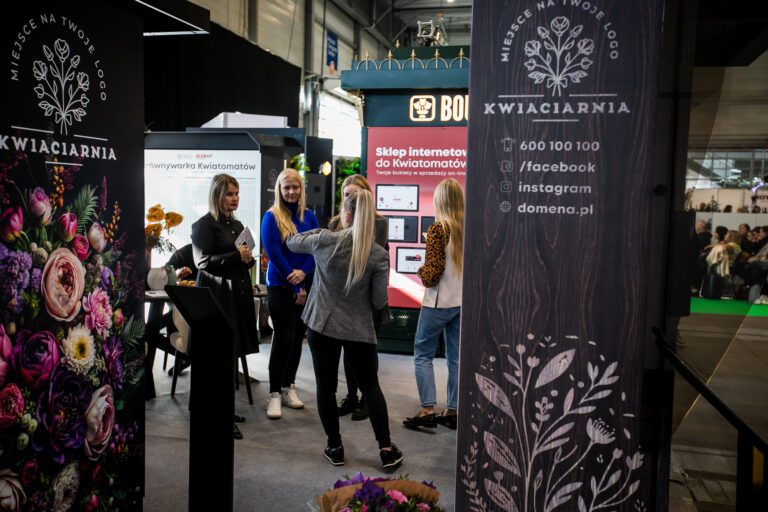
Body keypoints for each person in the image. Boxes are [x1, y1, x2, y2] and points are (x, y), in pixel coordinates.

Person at [286, 189, 403, 469]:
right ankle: (386, 449)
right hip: (358, 328)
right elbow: (378, 301)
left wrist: (317, 230)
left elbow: (291, 242)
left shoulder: (326, 240)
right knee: (371, 387)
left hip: (321, 324)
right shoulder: (377, 254)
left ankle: (334, 447)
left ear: (346, 214)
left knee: (325, 388)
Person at [191, 174, 258, 440]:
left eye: (237, 194)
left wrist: (249, 260)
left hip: (237, 295)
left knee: (230, 357)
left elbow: (241, 259)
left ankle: (226, 411)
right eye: (230, 194)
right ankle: (218, 415)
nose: (235, 199)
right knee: (218, 358)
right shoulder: (204, 226)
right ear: (218, 195)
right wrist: (235, 255)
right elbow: (202, 262)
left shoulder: (237, 225)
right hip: (216, 298)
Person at [403, 178, 464, 431]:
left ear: (440, 200)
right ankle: (453, 409)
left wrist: (419, 268)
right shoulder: (466, 228)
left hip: (437, 303)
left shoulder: (440, 229)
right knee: (456, 358)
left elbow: (431, 274)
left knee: (423, 354)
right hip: (461, 303)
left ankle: (427, 409)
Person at [328, 174, 389, 422]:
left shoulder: (380, 223)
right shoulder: (334, 224)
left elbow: (369, 257)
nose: (350, 199)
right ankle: (351, 396)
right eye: (346, 195)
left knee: (366, 351)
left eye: (355, 194)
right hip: (342, 299)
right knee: (346, 350)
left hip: (367, 298)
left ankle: (366, 397)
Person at [261, 168, 319, 419]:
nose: (292, 192)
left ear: (301, 189)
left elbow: (317, 252)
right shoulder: (271, 216)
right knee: (284, 336)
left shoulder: (310, 217)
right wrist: (295, 281)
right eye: (287, 188)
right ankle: (274, 393)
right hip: (279, 285)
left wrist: (304, 277)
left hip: (304, 285)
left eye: (295, 187)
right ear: (280, 190)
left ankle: (288, 387)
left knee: (297, 338)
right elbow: (273, 253)